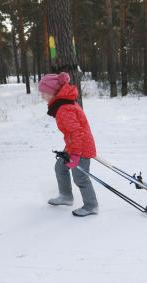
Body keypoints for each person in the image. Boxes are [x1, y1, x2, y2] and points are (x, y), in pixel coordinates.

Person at [39, 72, 99, 217]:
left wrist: (76, 154)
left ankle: (91, 205)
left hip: (81, 147)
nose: (42, 97)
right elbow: (72, 133)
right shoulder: (63, 104)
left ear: (53, 92)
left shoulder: (64, 108)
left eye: (44, 93)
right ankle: (66, 196)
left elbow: (77, 133)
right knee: (60, 167)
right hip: (74, 145)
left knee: (80, 177)